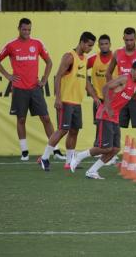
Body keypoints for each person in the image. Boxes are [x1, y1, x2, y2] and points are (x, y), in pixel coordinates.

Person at [69, 61, 136, 179]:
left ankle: (92, 171)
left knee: (115, 149)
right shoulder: (124, 79)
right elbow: (106, 87)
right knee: (105, 148)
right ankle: (78, 156)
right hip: (105, 115)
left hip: (114, 117)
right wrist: (107, 106)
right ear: (132, 70)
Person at [0, 17, 65, 161]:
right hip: (19, 89)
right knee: (21, 119)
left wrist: (44, 79)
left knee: (45, 117)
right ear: (19, 28)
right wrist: (8, 76)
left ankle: (55, 150)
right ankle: (24, 152)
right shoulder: (11, 45)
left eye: (29, 30)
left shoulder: (37, 44)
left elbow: (49, 62)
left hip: (35, 88)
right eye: (24, 29)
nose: (27, 32)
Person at [39, 31, 99, 171]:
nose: (90, 48)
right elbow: (58, 76)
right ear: (82, 42)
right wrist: (58, 98)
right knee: (62, 130)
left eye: (92, 46)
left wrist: (95, 97)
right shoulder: (69, 57)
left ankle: (69, 162)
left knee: (74, 131)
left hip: (77, 102)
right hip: (65, 101)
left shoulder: (84, 59)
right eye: (89, 45)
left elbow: (86, 82)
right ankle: (44, 157)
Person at [87, 34, 119, 166]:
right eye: (101, 44)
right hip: (100, 99)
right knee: (99, 126)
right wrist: (94, 95)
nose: (104, 46)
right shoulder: (93, 59)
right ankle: (100, 151)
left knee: (112, 126)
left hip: (114, 100)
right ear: (98, 46)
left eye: (106, 44)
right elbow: (81, 73)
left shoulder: (116, 58)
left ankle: (109, 152)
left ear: (110, 44)